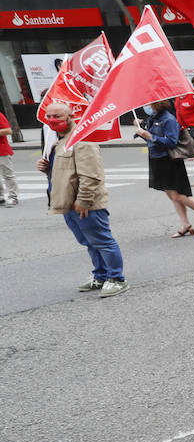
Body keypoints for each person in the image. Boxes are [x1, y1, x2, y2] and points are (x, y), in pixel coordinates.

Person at [37, 101, 128, 297]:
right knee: (89, 242)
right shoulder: (58, 142)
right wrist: (46, 169)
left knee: (102, 241)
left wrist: (84, 201)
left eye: (58, 116)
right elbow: (64, 173)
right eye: (49, 117)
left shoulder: (82, 141)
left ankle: (116, 279)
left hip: (85, 205)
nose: (52, 121)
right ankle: (101, 275)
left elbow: (91, 175)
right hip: (68, 203)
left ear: (70, 117)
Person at [134, 98, 194, 238]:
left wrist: (150, 136)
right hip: (156, 159)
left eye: (148, 103)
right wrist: (142, 133)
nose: (146, 106)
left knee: (177, 194)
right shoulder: (152, 118)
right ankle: (185, 224)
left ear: (157, 103)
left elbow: (171, 141)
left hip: (169, 160)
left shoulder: (168, 119)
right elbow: (152, 140)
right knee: (171, 194)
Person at [0, 110, 16, 206]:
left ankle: (13, 197)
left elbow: (8, 130)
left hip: (2, 150)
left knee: (8, 175)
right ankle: (1, 197)